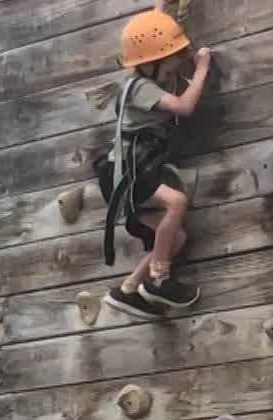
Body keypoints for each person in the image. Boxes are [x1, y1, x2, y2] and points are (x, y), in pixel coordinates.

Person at [97, 6, 212, 321]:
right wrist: (202, 69)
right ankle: (159, 279)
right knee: (177, 202)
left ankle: (128, 289)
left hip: (135, 173)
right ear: (150, 63)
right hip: (125, 174)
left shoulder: (150, 77)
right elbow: (184, 107)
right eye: (171, 69)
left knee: (176, 238)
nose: (175, 74)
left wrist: (165, 10)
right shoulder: (140, 86)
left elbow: (157, 25)